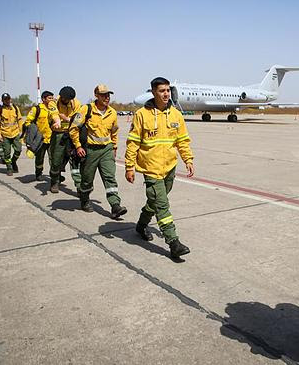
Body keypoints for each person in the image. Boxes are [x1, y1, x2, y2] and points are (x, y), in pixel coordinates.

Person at [125, 77, 194, 259]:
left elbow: (182, 140)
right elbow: (133, 143)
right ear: (153, 92)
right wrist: (129, 166)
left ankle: (141, 225)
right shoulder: (142, 114)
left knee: (155, 201)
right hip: (151, 168)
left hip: (170, 167)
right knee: (162, 205)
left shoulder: (176, 115)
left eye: (168, 90)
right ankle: (173, 242)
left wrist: (188, 159)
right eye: (162, 91)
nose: (166, 94)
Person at [69, 84, 127, 218]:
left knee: (110, 178)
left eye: (108, 95)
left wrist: (114, 147)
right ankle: (84, 199)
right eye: (103, 95)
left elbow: (114, 131)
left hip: (106, 150)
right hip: (90, 150)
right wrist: (78, 146)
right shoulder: (86, 109)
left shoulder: (112, 112)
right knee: (87, 179)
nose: (107, 98)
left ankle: (115, 205)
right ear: (96, 95)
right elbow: (73, 129)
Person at [48, 86, 82, 193]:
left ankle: (79, 187)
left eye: (69, 100)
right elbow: (54, 113)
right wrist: (58, 120)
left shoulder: (76, 103)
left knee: (75, 161)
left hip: (72, 134)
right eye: (65, 99)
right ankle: (54, 181)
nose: (67, 101)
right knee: (56, 160)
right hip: (58, 135)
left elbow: (77, 119)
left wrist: (66, 118)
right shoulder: (53, 102)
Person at [24, 90, 53, 180]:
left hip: (51, 138)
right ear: (43, 99)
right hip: (40, 139)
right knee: (40, 158)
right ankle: (38, 173)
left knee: (54, 159)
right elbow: (28, 122)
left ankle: (55, 176)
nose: (51, 100)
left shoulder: (54, 109)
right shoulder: (36, 109)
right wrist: (34, 132)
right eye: (49, 98)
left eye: (52, 98)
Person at [0, 93, 23, 176]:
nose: (7, 101)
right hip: (5, 134)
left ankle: (13, 161)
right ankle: (9, 167)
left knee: (18, 150)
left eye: (8, 99)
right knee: (7, 153)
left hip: (15, 133)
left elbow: (20, 120)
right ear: (2, 101)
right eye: (5, 99)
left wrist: (22, 132)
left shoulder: (15, 108)